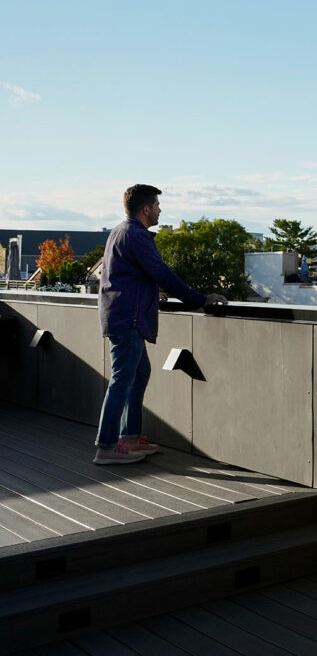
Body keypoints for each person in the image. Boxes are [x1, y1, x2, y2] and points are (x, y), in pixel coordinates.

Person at [94, 184, 227, 464]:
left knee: (139, 374)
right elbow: (164, 274)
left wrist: (152, 292)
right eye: (156, 206)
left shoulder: (120, 231)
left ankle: (129, 438)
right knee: (122, 380)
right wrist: (200, 300)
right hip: (127, 318)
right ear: (146, 209)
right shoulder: (137, 236)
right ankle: (106, 447)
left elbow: (125, 276)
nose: (160, 210)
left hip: (121, 314)